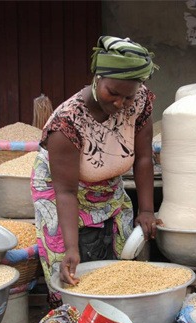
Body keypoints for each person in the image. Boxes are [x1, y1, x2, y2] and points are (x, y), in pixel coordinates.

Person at [31, 36, 160, 306]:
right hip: (62, 189)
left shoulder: (140, 102)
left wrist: (146, 210)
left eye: (129, 95)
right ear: (97, 77)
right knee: (70, 268)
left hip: (107, 184)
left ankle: (115, 316)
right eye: (112, 92)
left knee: (119, 258)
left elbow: (144, 158)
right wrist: (71, 247)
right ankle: (71, 320)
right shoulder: (67, 123)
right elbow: (65, 192)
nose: (120, 104)